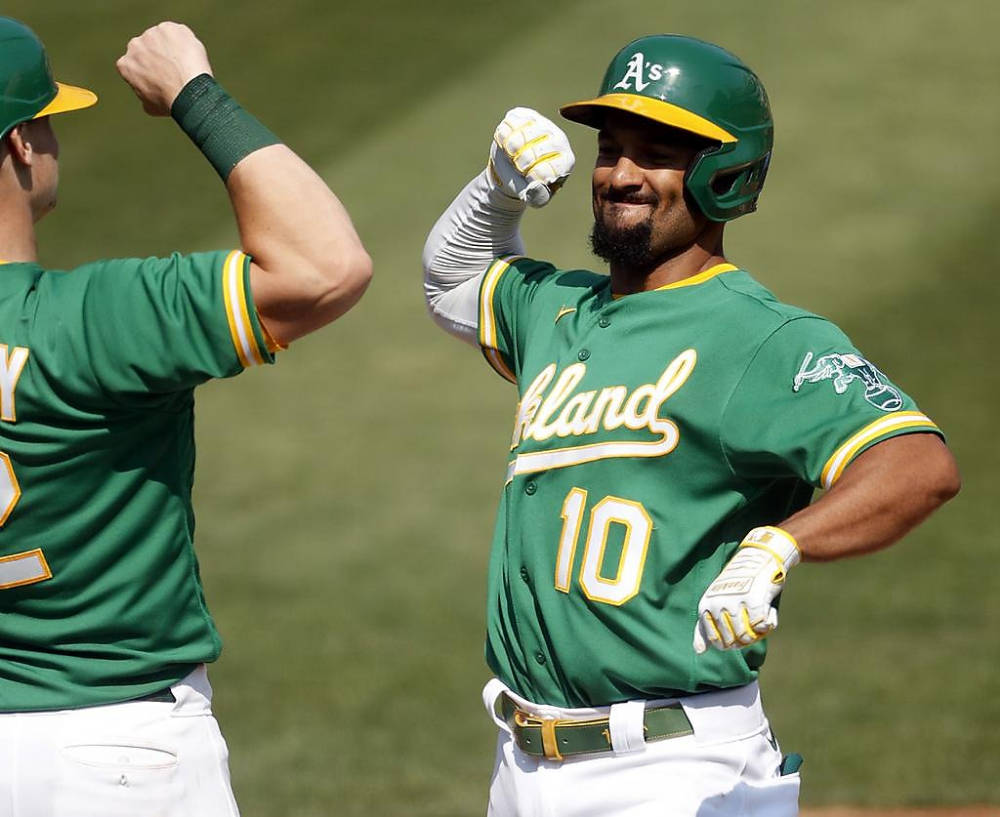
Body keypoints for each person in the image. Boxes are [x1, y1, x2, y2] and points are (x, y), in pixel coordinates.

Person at [422, 34, 959, 817]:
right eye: (610, 149)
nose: (619, 175)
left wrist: (780, 543)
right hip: (520, 769)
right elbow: (453, 280)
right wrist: (496, 189)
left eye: (657, 153)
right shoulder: (557, 309)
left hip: (677, 772)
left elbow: (919, 464)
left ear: (722, 171)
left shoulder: (761, 336)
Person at [0, 17, 370, 816]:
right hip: (114, 752)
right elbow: (325, 267)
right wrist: (195, 95)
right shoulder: (92, 321)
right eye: (48, 118)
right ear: (21, 144)